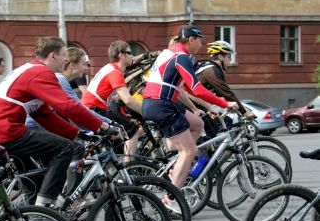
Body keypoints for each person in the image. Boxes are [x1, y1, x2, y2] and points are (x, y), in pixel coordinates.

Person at [0, 36, 115, 207]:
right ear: (52, 55)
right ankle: (46, 209)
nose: (66, 59)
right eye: (64, 54)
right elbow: (68, 106)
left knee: (35, 184)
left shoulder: (31, 70)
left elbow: (44, 115)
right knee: (66, 148)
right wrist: (103, 126)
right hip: (7, 131)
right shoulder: (41, 73)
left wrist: (78, 133)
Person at [141, 25, 238, 211]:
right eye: (200, 40)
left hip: (157, 102)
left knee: (197, 123)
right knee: (189, 151)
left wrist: (205, 108)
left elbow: (181, 89)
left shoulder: (169, 53)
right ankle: (171, 197)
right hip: (162, 105)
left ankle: (176, 165)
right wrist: (225, 103)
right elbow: (197, 88)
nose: (201, 45)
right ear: (191, 40)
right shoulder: (181, 56)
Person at [81, 41, 143, 159]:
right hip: (94, 109)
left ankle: (114, 167)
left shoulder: (109, 68)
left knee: (118, 135)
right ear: (121, 55)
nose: (132, 56)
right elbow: (128, 100)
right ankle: (129, 168)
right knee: (132, 130)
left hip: (92, 107)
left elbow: (114, 95)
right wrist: (146, 111)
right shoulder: (115, 72)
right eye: (130, 53)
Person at [195, 40, 253, 118]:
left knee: (226, 121)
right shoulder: (211, 70)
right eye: (229, 56)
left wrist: (241, 107)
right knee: (216, 125)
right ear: (220, 57)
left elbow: (220, 94)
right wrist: (244, 112)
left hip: (199, 104)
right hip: (190, 105)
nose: (231, 59)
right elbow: (227, 93)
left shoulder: (212, 67)